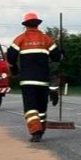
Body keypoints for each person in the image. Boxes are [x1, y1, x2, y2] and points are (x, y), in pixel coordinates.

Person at [6, 12, 63, 142]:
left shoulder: (20, 39)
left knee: (30, 107)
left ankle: (35, 131)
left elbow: (11, 57)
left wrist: (14, 69)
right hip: (43, 80)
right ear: (37, 24)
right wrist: (61, 54)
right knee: (41, 108)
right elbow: (56, 58)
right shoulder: (46, 39)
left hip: (27, 81)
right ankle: (41, 129)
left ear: (25, 25)